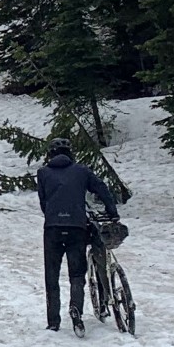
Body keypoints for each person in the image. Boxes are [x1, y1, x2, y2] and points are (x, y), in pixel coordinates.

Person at [36, 136, 120, 336]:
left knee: (52, 276)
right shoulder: (82, 171)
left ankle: (53, 322)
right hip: (77, 227)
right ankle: (76, 312)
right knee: (76, 274)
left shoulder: (43, 173)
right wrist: (112, 211)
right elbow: (102, 188)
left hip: (53, 228)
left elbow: (43, 202)